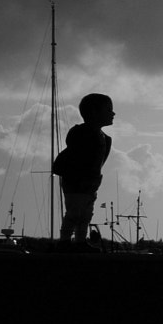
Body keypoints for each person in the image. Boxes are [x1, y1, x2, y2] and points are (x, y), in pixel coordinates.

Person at [52, 92, 115, 244]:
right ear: (94, 112)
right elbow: (75, 157)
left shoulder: (104, 138)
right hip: (77, 182)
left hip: (91, 183)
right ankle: (65, 241)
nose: (113, 113)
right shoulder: (81, 133)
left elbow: (99, 162)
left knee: (86, 214)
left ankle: (80, 241)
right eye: (108, 110)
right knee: (74, 213)